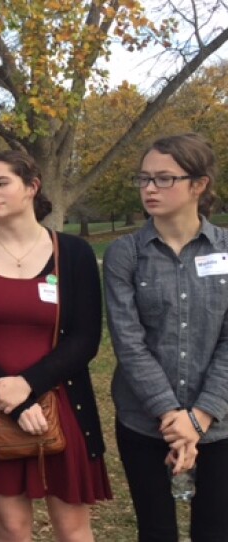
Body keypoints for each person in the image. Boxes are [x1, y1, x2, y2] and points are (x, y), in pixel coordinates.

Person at [0, 150, 111, 542]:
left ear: (32, 187)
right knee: (12, 528)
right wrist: (11, 399)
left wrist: (28, 385)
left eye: (1, 183)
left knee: (72, 528)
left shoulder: (74, 254)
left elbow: (86, 339)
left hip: (62, 404)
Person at [104, 133, 228, 542]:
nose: (150, 188)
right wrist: (171, 416)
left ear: (199, 185)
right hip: (144, 423)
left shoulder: (226, 249)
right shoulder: (126, 254)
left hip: (220, 423)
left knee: (216, 530)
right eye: (144, 178)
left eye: (164, 178)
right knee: (156, 531)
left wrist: (200, 417)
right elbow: (128, 342)